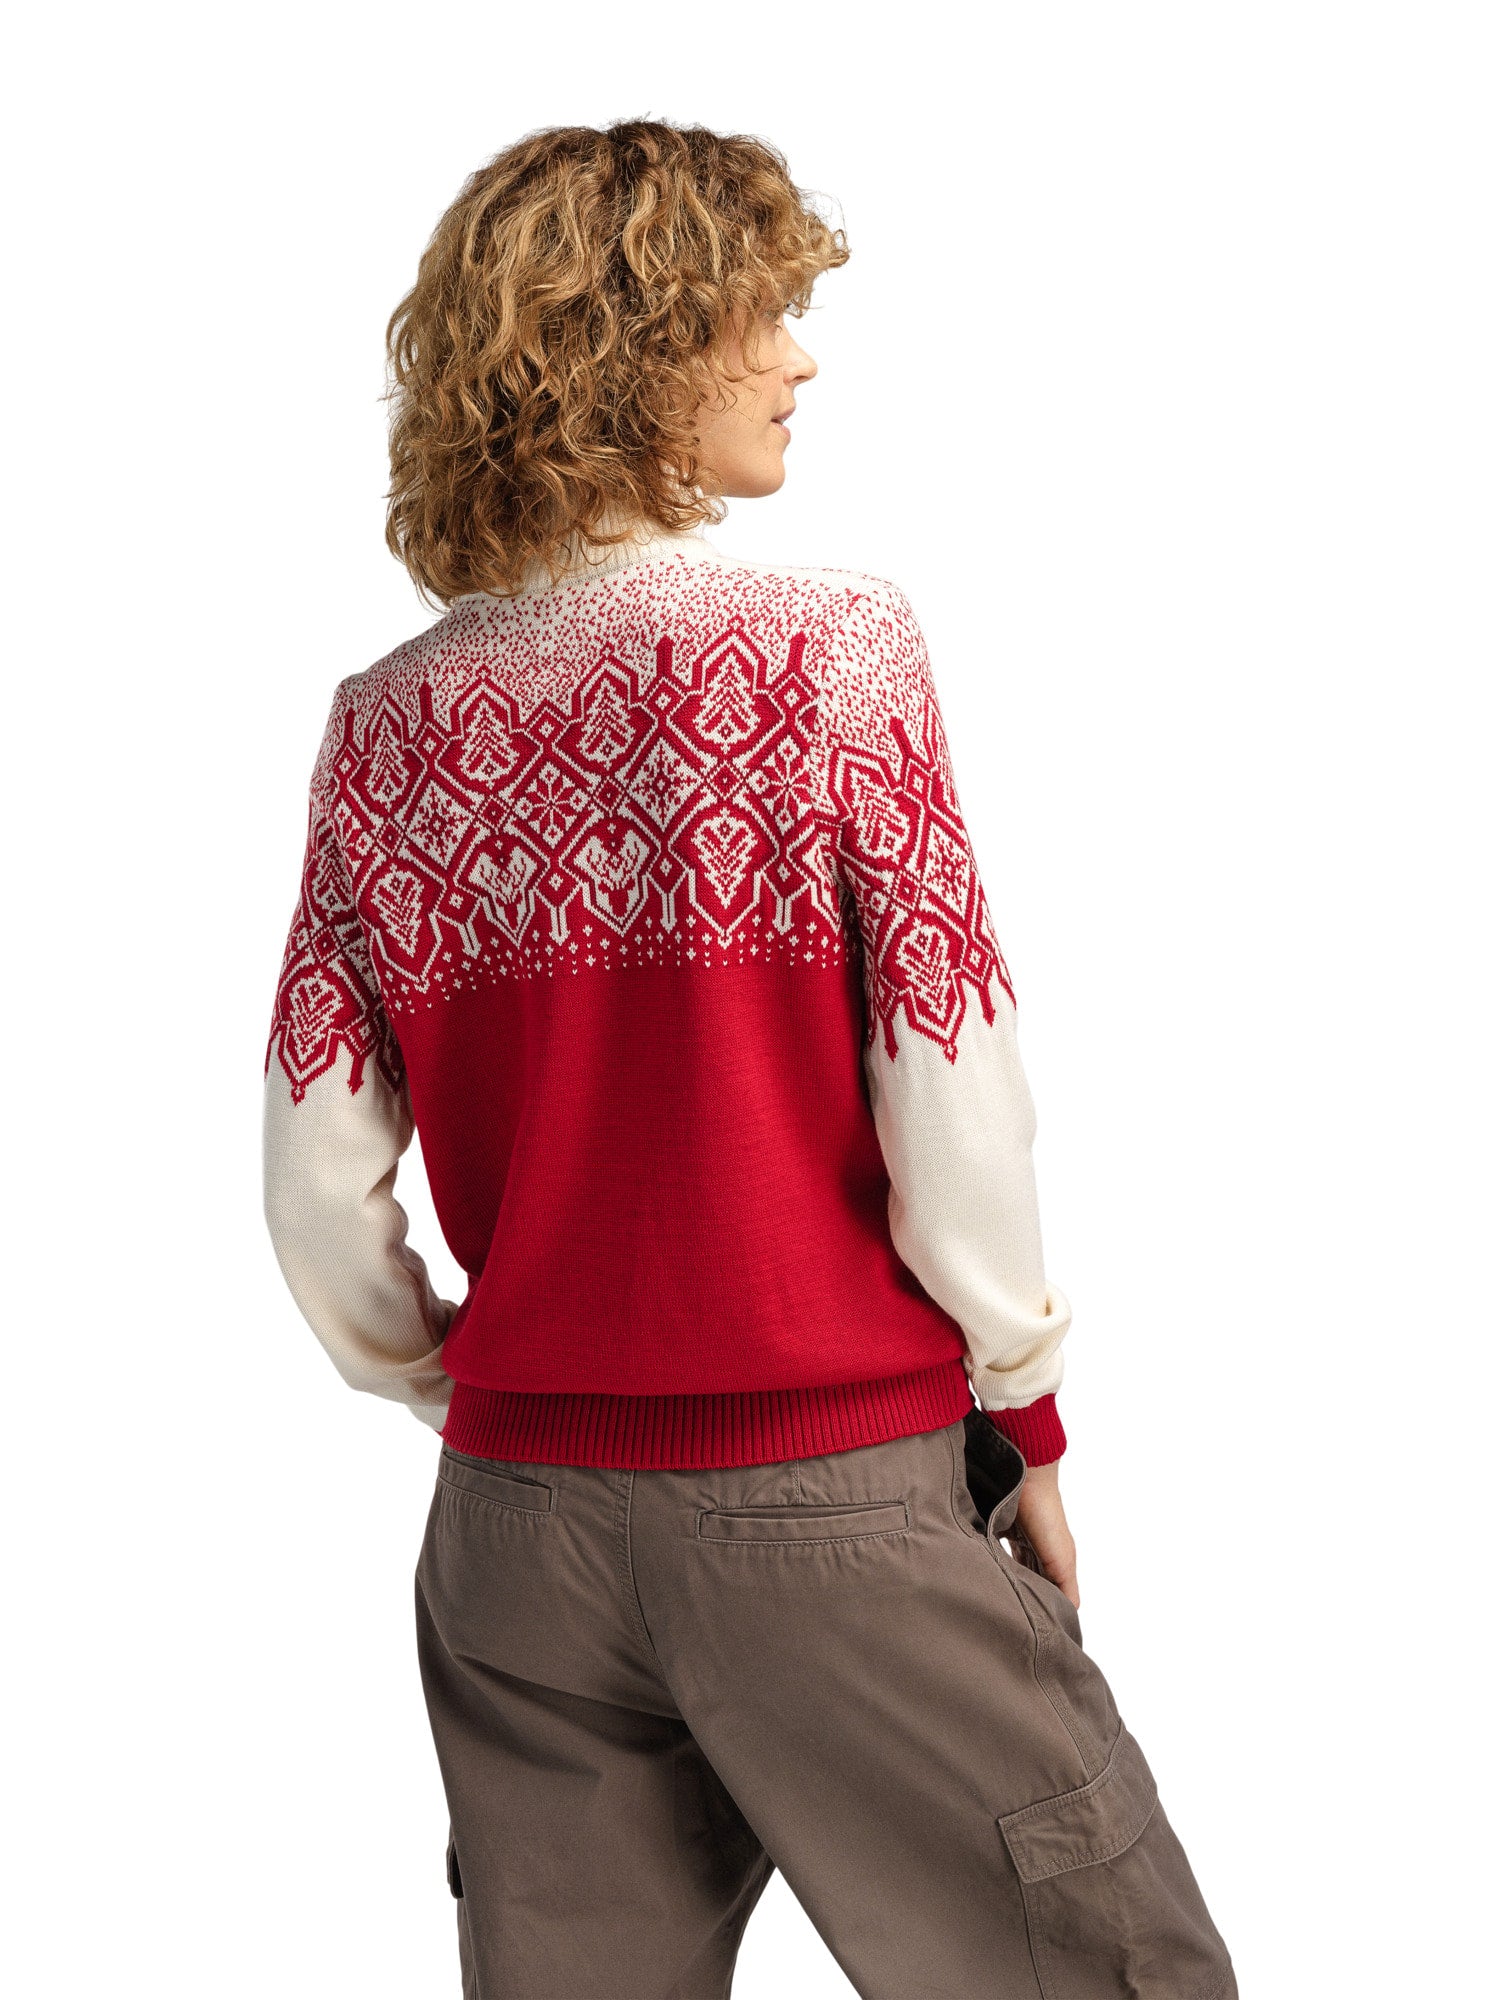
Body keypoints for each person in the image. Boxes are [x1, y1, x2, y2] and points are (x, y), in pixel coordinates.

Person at [262, 117, 1237, 2000]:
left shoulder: (386, 725)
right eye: (758, 318)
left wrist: (465, 1390)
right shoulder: (829, 654)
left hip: (513, 1547)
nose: (802, 361)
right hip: (825, 1500)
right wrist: (1026, 1417)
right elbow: (953, 1087)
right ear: (635, 348)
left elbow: (316, 1173)